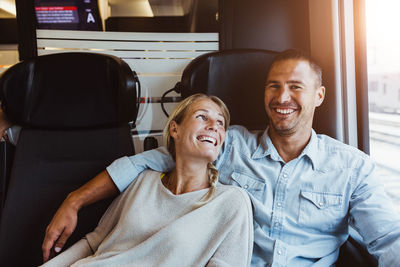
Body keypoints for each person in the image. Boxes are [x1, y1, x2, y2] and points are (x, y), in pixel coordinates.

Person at [43, 49, 400, 266]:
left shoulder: (353, 168)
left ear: (319, 95)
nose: (282, 97)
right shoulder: (229, 146)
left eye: (295, 87)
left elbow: (389, 240)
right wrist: (76, 199)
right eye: (273, 85)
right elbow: (153, 163)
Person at [41, 93, 253, 266]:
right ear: (175, 129)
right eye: (202, 117)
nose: (214, 126)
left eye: (220, 123)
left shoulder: (231, 202)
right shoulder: (143, 181)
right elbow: (93, 243)